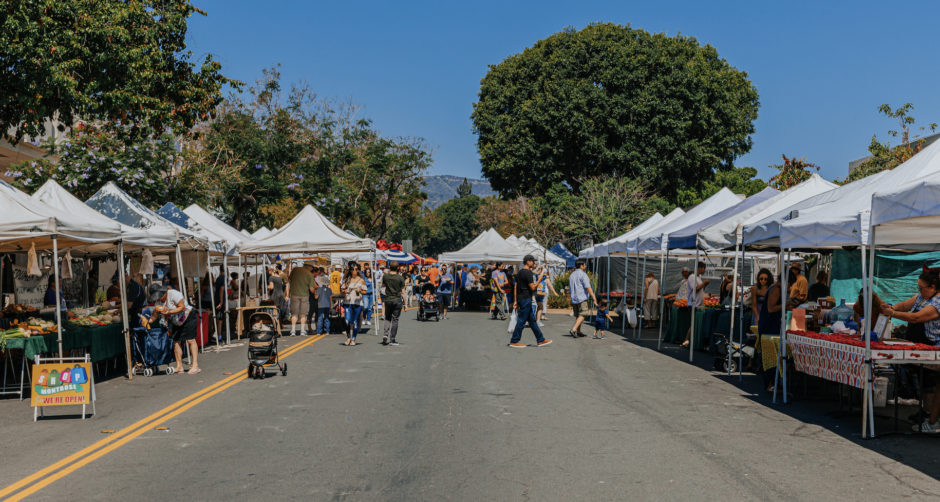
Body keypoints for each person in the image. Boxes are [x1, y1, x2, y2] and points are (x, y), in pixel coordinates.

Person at [880, 268, 940, 432]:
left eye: (922, 287)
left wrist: (893, 313)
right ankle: (926, 413)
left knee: (931, 381)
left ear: (932, 287)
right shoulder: (921, 297)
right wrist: (891, 307)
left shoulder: (937, 303)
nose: (919, 291)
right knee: (922, 379)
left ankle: (932, 418)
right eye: (918, 287)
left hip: (932, 347)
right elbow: (904, 305)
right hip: (917, 345)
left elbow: (916, 317)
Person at [149, 279, 200, 375]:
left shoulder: (173, 294)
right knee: (176, 342)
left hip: (187, 316)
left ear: (164, 292)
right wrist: (148, 322)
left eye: (160, 296)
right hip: (176, 320)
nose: (159, 299)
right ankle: (179, 366)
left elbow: (182, 307)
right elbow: (155, 314)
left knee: (190, 340)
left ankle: (195, 365)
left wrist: (169, 312)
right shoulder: (158, 302)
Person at [509, 255, 552, 347]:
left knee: (532, 321)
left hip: (521, 298)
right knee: (521, 321)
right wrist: (540, 279)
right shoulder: (528, 273)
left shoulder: (519, 273)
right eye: (533, 261)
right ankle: (514, 341)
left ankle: (540, 339)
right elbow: (532, 287)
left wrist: (515, 300)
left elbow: (515, 287)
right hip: (526, 298)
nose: (534, 263)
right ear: (528, 261)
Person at [680, 261, 709, 349]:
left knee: (695, 324)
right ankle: (686, 341)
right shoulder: (692, 277)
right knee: (693, 324)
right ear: (700, 268)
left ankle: (691, 341)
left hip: (699, 305)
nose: (705, 270)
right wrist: (704, 283)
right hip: (693, 304)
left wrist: (704, 285)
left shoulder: (698, 277)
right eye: (704, 268)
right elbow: (695, 289)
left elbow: (700, 289)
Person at [568, 259, 597, 338]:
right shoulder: (583, 275)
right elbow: (588, 287)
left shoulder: (572, 275)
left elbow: (570, 288)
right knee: (584, 313)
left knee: (578, 315)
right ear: (581, 266)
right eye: (585, 265)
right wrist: (593, 297)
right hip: (581, 297)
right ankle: (574, 329)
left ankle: (578, 331)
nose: (586, 266)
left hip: (574, 298)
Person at [341, 264, 367, 346]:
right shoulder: (346, 279)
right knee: (347, 321)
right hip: (347, 302)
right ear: (350, 270)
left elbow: (365, 292)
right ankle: (348, 337)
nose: (354, 271)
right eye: (352, 269)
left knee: (355, 321)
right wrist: (344, 291)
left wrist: (360, 291)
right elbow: (342, 290)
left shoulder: (361, 280)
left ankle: (353, 339)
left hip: (357, 303)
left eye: (356, 269)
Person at [287, 262, 316, 336]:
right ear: (309, 266)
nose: (312, 269)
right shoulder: (309, 274)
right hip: (304, 296)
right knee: (303, 314)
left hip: (294, 294)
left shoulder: (295, 270)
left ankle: (293, 331)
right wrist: (316, 292)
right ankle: (302, 331)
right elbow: (311, 289)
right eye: (312, 267)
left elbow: (289, 281)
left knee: (294, 314)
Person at [381, 263, 406, 346]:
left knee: (387, 318)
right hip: (397, 300)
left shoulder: (385, 276)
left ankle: (385, 334)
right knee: (395, 319)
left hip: (388, 299)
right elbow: (403, 292)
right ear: (398, 268)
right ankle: (392, 339)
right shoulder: (400, 278)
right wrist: (405, 304)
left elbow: (383, 286)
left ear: (389, 267)